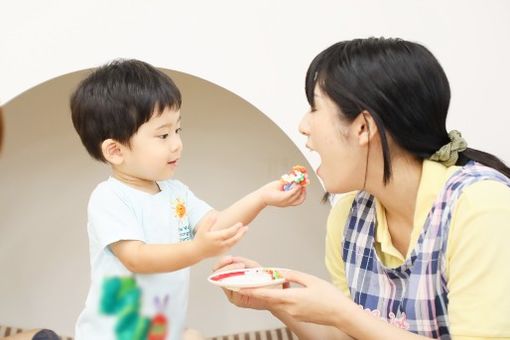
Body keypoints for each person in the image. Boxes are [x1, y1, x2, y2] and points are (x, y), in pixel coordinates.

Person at [214, 37, 510, 339]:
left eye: (314, 108)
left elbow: (350, 322)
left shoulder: (481, 208)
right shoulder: (348, 216)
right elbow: (346, 336)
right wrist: (274, 296)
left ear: (363, 128)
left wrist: (343, 314)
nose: (303, 125)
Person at [70, 60, 306, 340]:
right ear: (115, 151)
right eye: (163, 135)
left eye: (178, 131)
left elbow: (215, 226)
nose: (176, 144)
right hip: (114, 335)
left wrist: (262, 197)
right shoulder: (110, 197)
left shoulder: (175, 192)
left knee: (192, 335)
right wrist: (198, 250)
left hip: (161, 332)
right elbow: (136, 258)